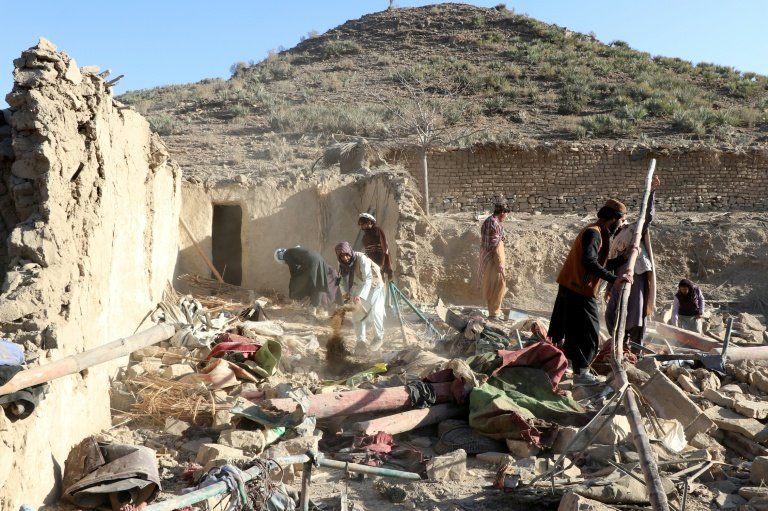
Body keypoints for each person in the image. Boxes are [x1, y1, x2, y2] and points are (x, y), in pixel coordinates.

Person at [549, 199, 633, 385]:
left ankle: (578, 371)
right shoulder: (593, 234)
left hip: (573, 287)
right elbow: (589, 262)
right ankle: (582, 374)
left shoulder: (596, 232)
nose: (621, 225)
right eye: (621, 220)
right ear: (614, 218)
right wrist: (614, 279)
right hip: (579, 289)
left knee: (575, 331)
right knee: (589, 333)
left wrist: (622, 260)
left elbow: (599, 263)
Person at [605, 176, 660, 351]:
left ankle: (635, 349)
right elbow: (612, 263)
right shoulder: (613, 236)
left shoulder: (633, 228)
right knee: (611, 313)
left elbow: (647, 217)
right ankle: (619, 344)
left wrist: (651, 193)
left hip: (635, 272)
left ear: (622, 218)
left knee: (636, 312)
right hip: (618, 275)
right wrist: (608, 286)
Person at [335, 241, 386, 351]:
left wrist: (361, 297)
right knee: (357, 314)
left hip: (374, 283)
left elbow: (368, 278)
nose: (345, 258)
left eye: (346, 255)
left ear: (350, 252)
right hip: (358, 285)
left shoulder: (361, 258)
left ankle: (378, 338)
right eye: (341, 256)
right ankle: (360, 342)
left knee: (375, 312)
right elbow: (342, 281)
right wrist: (346, 295)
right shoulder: (340, 264)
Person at [274, 247, 340, 315]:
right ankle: (315, 307)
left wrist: (294, 284)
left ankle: (300, 302)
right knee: (318, 285)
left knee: (301, 282)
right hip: (321, 260)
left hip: (311, 262)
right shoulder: (295, 250)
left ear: (281, 258)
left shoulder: (286, 254)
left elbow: (293, 269)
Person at [478, 203, 510, 320]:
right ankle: (494, 313)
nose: (506, 216)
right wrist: (499, 263)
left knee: (492, 285)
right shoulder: (494, 223)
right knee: (499, 286)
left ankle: (493, 311)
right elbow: (495, 246)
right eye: (506, 213)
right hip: (493, 259)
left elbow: (496, 238)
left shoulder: (490, 220)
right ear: (502, 212)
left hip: (489, 258)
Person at [358, 213, 394, 280]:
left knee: (383, 280)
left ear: (369, 222)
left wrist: (382, 263)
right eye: (360, 224)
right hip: (372, 263)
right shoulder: (365, 236)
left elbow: (384, 247)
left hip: (381, 260)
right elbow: (367, 251)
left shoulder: (377, 231)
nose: (362, 226)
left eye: (363, 223)